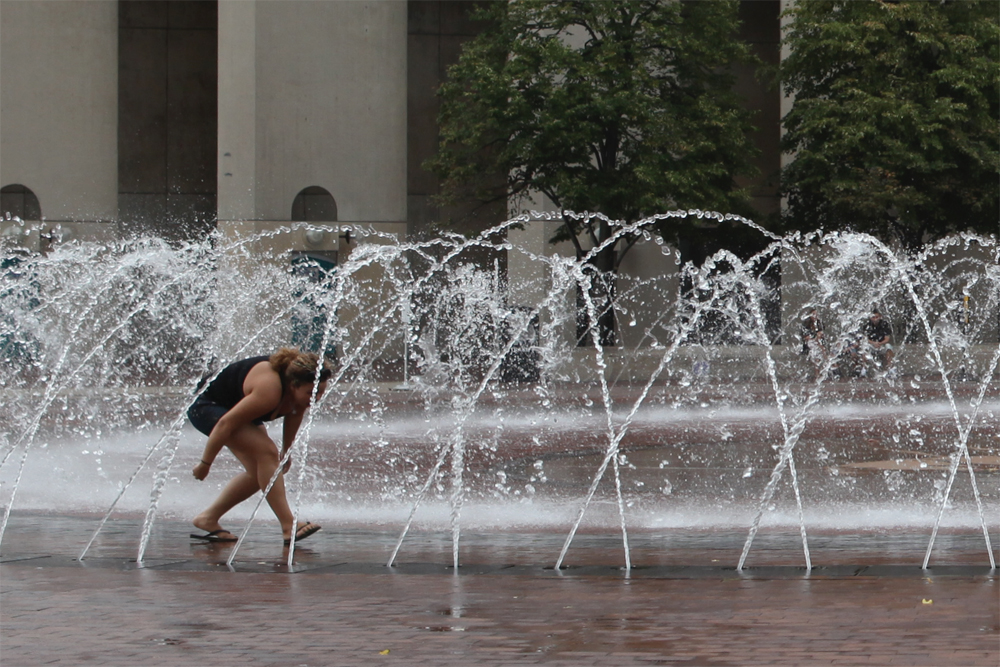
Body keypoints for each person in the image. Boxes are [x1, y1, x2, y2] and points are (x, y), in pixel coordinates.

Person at [188, 348, 331, 546]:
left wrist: (286, 452)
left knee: (260, 472)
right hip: (205, 407)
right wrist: (205, 463)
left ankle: (207, 518)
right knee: (266, 454)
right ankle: (289, 525)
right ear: (293, 385)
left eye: (320, 392)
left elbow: (294, 414)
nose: (315, 399)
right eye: (310, 393)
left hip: (232, 409)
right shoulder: (269, 391)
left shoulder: (297, 395)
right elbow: (225, 424)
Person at [861, 309, 894, 373]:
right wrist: (874, 343)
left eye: (877, 317)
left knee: (889, 348)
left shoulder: (885, 324)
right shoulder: (867, 326)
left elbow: (887, 339)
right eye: (873, 317)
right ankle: (864, 368)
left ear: (880, 317)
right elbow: (865, 339)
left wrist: (879, 343)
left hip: (882, 344)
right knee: (864, 349)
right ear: (870, 318)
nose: (875, 319)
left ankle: (891, 368)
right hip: (872, 344)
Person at [798, 307, 827, 380]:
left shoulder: (819, 323)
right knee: (816, 349)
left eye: (816, 314)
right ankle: (818, 371)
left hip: (818, 342)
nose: (815, 316)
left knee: (819, 347)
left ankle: (821, 368)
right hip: (810, 342)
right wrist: (816, 338)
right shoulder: (806, 324)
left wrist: (818, 337)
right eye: (813, 314)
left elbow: (821, 334)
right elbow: (806, 337)